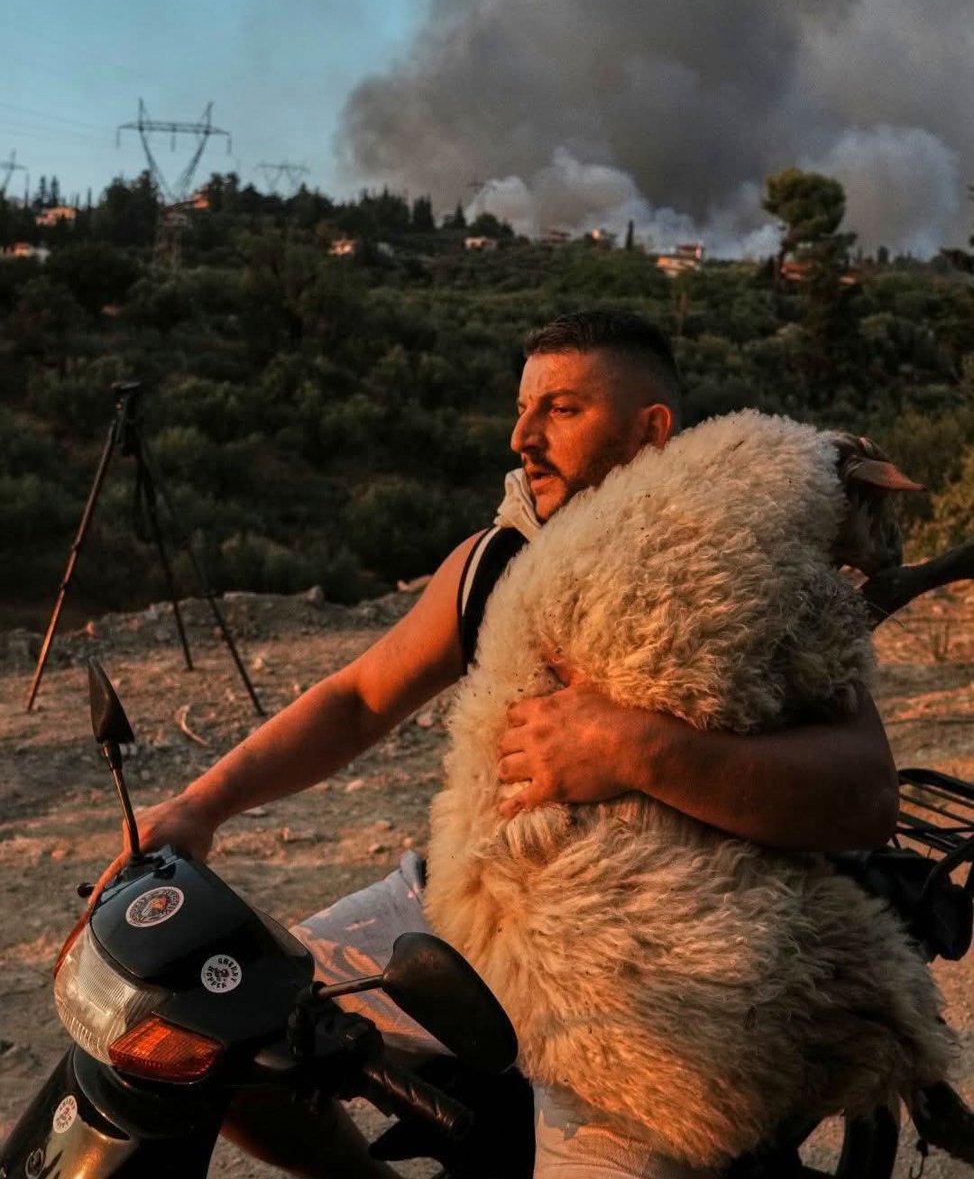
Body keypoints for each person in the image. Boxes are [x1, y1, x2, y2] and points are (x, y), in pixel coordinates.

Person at [93, 310, 899, 1178]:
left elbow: (864, 791)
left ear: (650, 429)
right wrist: (198, 805)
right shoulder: (496, 561)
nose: (523, 436)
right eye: (522, 409)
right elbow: (358, 699)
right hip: (466, 902)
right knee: (211, 1031)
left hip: (643, 961)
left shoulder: (741, 568)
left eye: (562, 409)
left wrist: (637, 751)